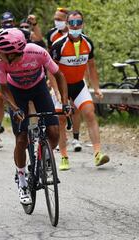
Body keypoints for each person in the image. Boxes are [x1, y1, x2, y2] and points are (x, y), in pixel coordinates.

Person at [0, 28, 69, 205]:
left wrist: (64, 102)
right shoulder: (0, 62)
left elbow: (59, 75)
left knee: (54, 132)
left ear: (12, 53)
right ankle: (22, 180)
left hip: (38, 87)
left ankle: (45, 157)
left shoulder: (37, 52)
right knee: (22, 139)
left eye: (0, 51)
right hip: (16, 92)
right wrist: (16, 108)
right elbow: (4, 89)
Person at [50, 10, 110, 170]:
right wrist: (56, 91)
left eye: (78, 23)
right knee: (61, 120)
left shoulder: (88, 43)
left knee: (90, 112)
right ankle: (63, 156)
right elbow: (50, 70)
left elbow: (91, 66)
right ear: (68, 24)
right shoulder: (58, 45)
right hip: (61, 87)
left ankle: (98, 154)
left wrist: (96, 88)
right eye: (72, 23)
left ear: (83, 24)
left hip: (78, 85)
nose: (75, 26)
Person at [46, 7, 83, 152]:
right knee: (59, 111)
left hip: (74, 75)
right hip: (57, 75)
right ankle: (62, 140)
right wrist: (51, 77)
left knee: (75, 107)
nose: (57, 22)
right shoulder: (51, 34)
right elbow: (48, 57)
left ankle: (76, 138)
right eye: (56, 19)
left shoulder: (78, 33)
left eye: (60, 19)